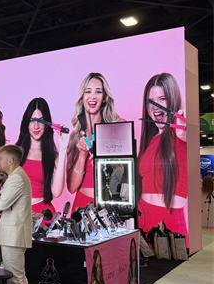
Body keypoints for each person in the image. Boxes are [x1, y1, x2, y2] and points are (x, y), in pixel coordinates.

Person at [137, 73, 187, 237]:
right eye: (150, 101)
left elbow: (185, 137)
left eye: (162, 99)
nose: (155, 106)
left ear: (173, 100)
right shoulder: (149, 141)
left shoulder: (181, 135)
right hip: (142, 220)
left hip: (170, 226)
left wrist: (185, 130)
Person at [67, 73, 124, 209]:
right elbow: (72, 187)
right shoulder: (75, 136)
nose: (92, 96)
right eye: (88, 91)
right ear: (82, 97)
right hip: (82, 207)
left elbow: (127, 173)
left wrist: (105, 161)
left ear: (104, 98)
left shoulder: (117, 126)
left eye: (98, 92)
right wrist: (82, 155)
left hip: (110, 205)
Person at [0, 145, 34, 284]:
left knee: (15, 282)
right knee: (20, 280)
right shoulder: (18, 177)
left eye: (0, 158)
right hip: (14, 235)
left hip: (13, 236)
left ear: (10, 160)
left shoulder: (16, 178)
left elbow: (1, 204)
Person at [15, 98, 68, 215]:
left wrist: (63, 149)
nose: (36, 126)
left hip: (44, 216)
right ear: (26, 122)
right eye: (32, 120)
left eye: (41, 121)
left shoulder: (53, 156)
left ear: (47, 124)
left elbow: (57, 192)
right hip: (18, 215)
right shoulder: (15, 152)